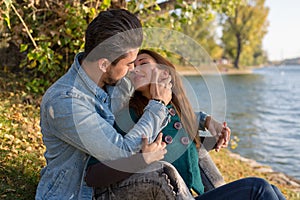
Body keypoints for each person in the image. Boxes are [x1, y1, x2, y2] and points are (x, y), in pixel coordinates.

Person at [85, 49, 286, 200]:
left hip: (189, 194)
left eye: (142, 63)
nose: (135, 70)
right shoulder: (130, 116)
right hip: (166, 194)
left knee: (274, 191)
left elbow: (182, 147)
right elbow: (94, 174)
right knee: (258, 189)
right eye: (132, 66)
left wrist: (210, 131)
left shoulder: (176, 112)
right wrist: (140, 159)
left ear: (164, 73)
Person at [35, 9, 174, 200]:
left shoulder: (114, 81)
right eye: (129, 64)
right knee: (161, 174)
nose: (132, 69)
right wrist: (158, 105)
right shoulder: (65, 102)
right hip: (78, 193)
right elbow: (122, 152)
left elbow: (146, 96)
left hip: (112, 181)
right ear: (103, 64)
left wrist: (203, 120)